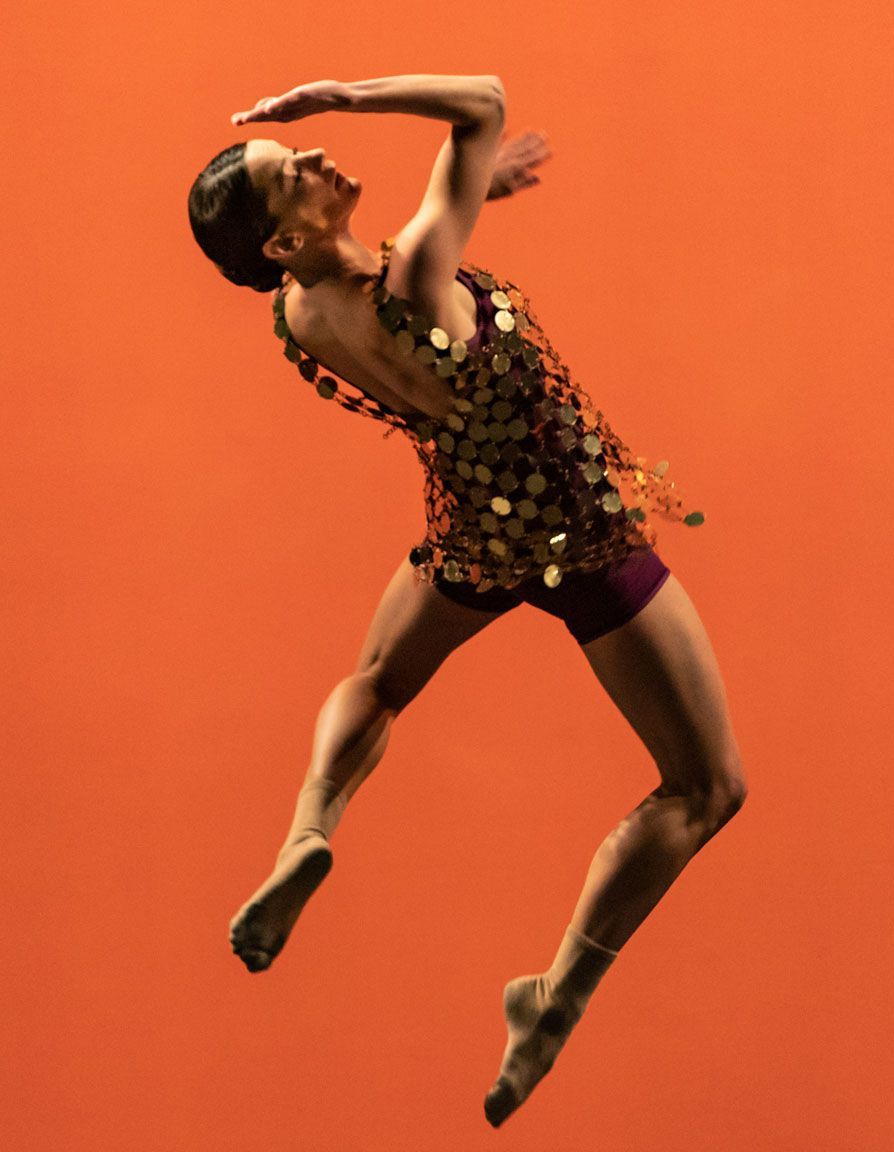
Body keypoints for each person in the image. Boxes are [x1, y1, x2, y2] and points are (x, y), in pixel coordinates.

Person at [187, 74, 747, 1129]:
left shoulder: (300, 315)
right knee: (707, 786)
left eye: (301, 148)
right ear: (284, 241)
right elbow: (482, 102)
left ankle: (308, 830)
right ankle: (556, 996)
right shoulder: (416, 269)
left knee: (378, 681)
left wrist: (470, 194)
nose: (314, 155)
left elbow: (387, 263)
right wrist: (339, 95)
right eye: (293, 171)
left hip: (476, 529)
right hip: (578, 531)